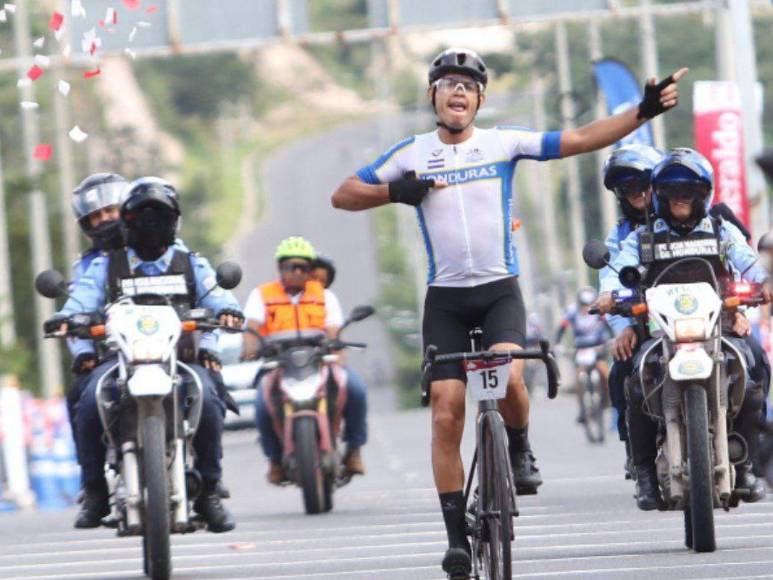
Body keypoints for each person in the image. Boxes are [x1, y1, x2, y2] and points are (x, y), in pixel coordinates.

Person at [331, 45, 688, 577]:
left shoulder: (503, 143)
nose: (458, 92)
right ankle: (456, 540)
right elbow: (343, 195)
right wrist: (394, 190)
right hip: (445, 299)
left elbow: (580, 138)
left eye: (468, 86)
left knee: (511, 378)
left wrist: (643, 112)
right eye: (448, 84)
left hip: (499, 291)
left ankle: (519, 447)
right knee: (446, 411)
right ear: (432, 95)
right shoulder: (411, 153)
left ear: (479, 100)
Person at [46, 178, 243, 532]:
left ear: (174, 221)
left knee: (210, 400)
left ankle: (209, 491)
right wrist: (66, 320)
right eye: (141, 217)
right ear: (128, 221)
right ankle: (94, 491)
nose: (151, 225)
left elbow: (219, 298)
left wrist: (228, 313)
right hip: (119, 359)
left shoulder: (191, 262)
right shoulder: (103, 265)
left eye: (160, 217)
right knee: (88, 401)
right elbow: (79, 303)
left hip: (179, 359)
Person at [599, 148, 770, 509]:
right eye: (672, 190)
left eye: (689, 190)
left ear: (703, 193)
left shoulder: (722, 230)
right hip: (660, 334)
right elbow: (616, 274)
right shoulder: (641, 237)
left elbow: (749, 263)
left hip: (719, 327)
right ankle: (645, 473)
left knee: (754, 368)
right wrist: (609, 298)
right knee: (634, 383)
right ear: (659, 194)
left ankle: (748, 464)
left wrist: (763, 282)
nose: (680, 197)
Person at [242, 237, 368, 484]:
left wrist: (336, 358)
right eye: (292, 266)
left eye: (303, 267)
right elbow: (251, 330)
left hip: (319, 364)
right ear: (281, 268)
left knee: (355, 389)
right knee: (261, 405)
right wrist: (250, 349)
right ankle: (274, 460)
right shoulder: (261, 295)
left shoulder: (325, 296)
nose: (297, 272)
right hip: (279, 365)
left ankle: (354, 450)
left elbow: (335, 334)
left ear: (311, 270)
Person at [66, 173, 130, 465]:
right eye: (96, 216)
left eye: (110, 210)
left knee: (209, 391)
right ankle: (93, 481)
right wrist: (84, 352)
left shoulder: (160, 249)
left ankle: (209, 478)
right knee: (83, 400)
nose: (105, 219)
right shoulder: (87, 266)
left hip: (165, 347)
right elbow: (74, 309)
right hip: (111, 355)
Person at [555, 287, 612, 423]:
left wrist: (612, 338)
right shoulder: (572, 311)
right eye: (583, 304)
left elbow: (608, 327)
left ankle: (608, 399)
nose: (586, 308)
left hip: (597, 347)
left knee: (605, 373)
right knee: (579, 376)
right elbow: (562, 328)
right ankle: (582, 408)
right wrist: (558, 343)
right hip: (581, 349)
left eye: (588, 304)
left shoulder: (598, 310)